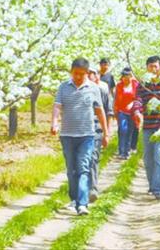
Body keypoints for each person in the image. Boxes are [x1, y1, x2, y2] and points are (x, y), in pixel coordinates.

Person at [51, 58, 109, 215]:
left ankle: (83, 203)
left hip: (87, 135)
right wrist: (54, 122)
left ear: (87, 73)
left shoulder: (93, 88)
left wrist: (105, 132)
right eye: (76, 73)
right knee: (71, 170)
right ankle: (74, 199)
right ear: (71, 71)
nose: (78, 77)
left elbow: (99, 111)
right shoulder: (63, 87)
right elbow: (57, 106)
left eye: (82, 74)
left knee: (84, 168)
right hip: (67, 135)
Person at [133, 56, 160, 200]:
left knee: (159, 157)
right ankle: (152, 185)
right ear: (146, 67)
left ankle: (158, 189)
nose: (153, 69)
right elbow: (138, 99)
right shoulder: (143, 84)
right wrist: (137, 111)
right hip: (147, 125)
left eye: (156, 66)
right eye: (150, 66)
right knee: (148, 158)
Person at [88, 67, 114, 202]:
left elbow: (109, 112)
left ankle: (92, 188)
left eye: (90, 74)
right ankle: (81, 190)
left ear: (96, 76)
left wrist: (106, 132)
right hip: (80, 130)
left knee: (93, 158)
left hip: (96, 129)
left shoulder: (103, 91)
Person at [114, 67, 138, 160]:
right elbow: (117, 99)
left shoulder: (136, 85)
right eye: (124, 76)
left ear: (131, 76)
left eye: (128, 76)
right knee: (123, 130)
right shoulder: (119, 86)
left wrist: (133, 104)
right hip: (122, 111)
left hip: (132, 112)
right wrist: (115, 111)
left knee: (130, 131)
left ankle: (127, 151)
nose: (126, 78)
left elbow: (138, 98)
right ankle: (121, 151)